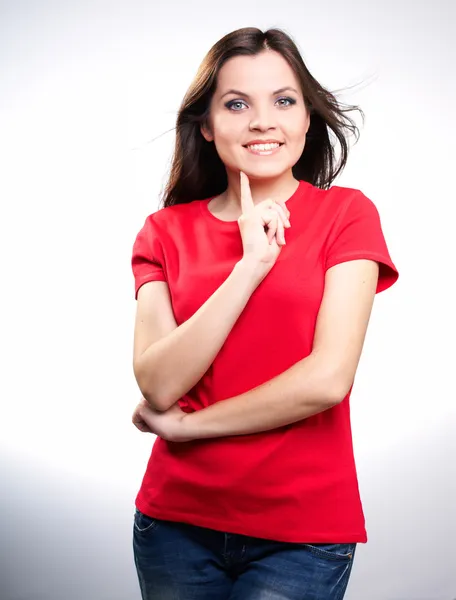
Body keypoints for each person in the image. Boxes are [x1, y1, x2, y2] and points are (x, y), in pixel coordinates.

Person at [129, 26, 399, 600]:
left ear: (306, 118)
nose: (262, 121)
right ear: (206, 125)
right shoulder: (165, 232)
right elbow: (158, 383)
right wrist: (250, 265)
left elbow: (327, 380)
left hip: (301, 535)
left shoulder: (347, 216)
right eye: (236, 104)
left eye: (283, 100)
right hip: (177, 524)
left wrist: (189, 427)